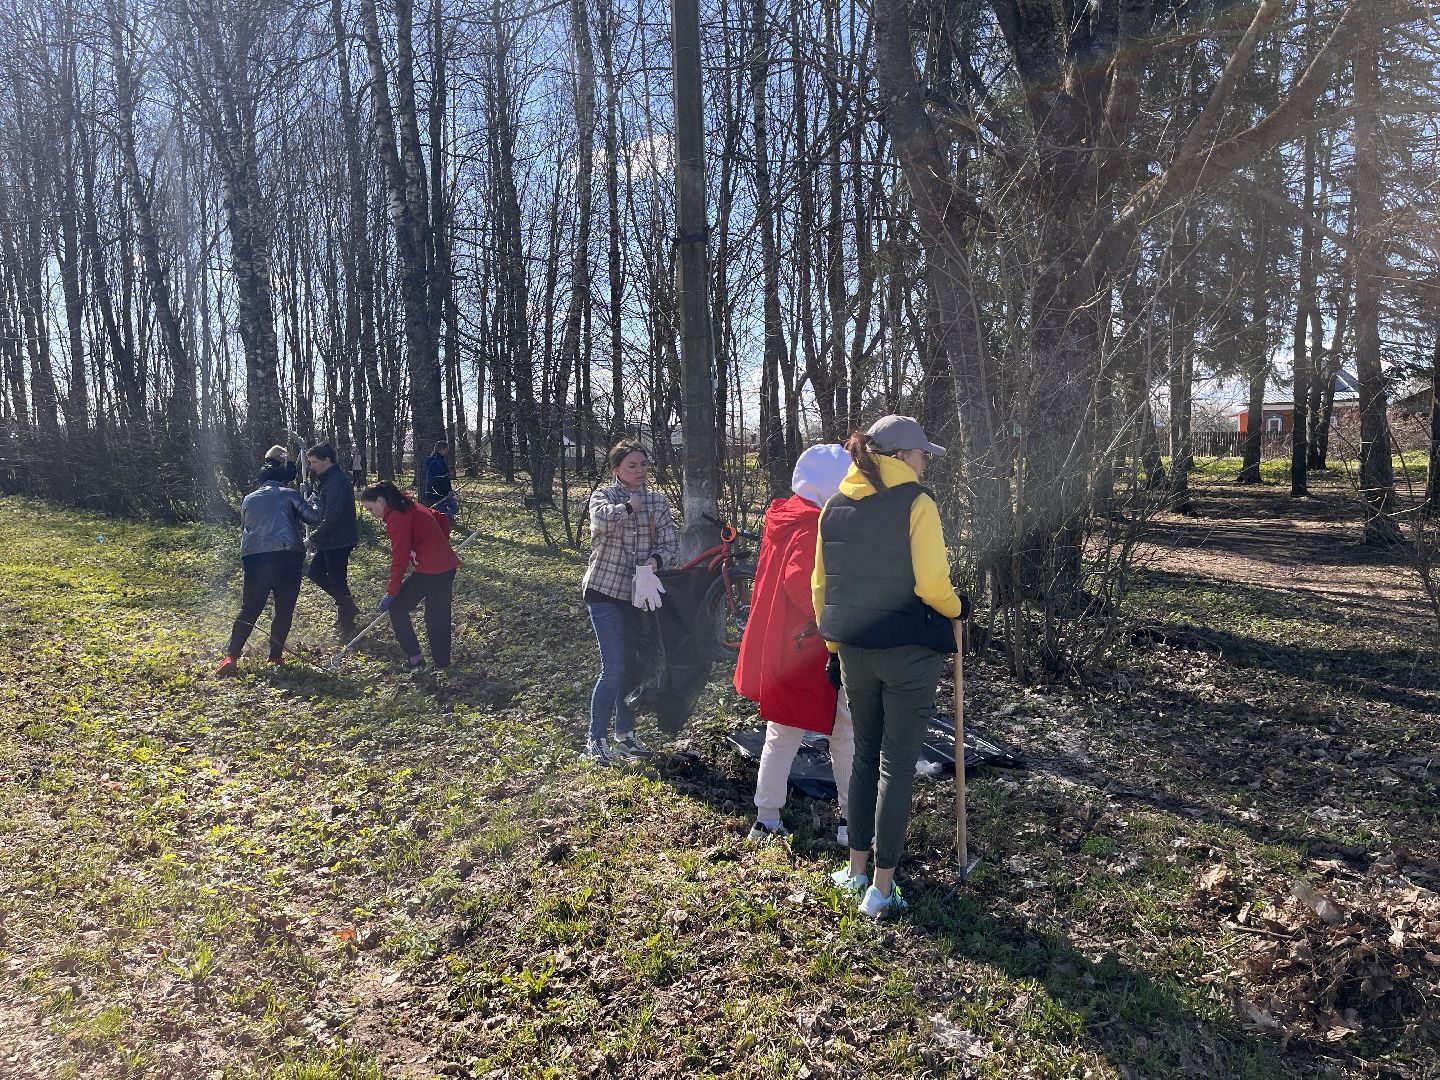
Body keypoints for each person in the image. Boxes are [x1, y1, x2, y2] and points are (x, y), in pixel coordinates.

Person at [813, 415, 966, 919]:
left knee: (862, 758)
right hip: (907, 649)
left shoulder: (833, 506)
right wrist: (956, 608)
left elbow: (822, 587)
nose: (925, 464)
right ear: (902, 457)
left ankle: (854, 870)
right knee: (895, 767)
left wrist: (834, 646)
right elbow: (931, 583)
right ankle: (881, 887)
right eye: (922, 455)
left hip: (853, 648)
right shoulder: (916, 502)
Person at [735, 444, 855, 846]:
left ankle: (766, 817)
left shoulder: (784, 517)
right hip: (809, 647)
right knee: (843, 730)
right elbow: (803, 586)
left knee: (782, 732)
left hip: (786, 644)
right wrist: (838, 618)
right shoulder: (810, 524)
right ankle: (850, 823)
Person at [580, 439, 678, 763]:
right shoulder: (604, 496)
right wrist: (628, 507)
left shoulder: (658, 502)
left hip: (638, 595)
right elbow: (600, 522)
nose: (639, 471)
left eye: (643, 465)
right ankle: (595, 739)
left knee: (633, 667)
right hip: (604, 591)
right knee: (614, 667)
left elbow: (669, 545)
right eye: (631, 465)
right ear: (617, 469)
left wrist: (654, 562)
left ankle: (625, 735)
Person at [217, 446, 321, 676]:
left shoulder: (248, 499)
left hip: (254, 557)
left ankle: (230, 656)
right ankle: (275, 656)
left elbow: (245, 527)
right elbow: (313, 517)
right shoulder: (289, 494)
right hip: (286, 556)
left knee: (250, 607)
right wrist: (313, 496)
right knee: (283, 608)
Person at [359, 481, 460, 672]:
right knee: (399, 609)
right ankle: (416, 658)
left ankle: (441, 666)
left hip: (437, 570)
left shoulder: (397, 517)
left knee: (435, 617)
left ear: (380, 501)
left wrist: (392, 592)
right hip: (430, 568)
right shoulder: (410, 506)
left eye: (371, 509)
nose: (372, 514)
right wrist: (439, 545)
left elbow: (399, 557)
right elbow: (441, 519)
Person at [304, 443, 361, 639]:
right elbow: (324, 508)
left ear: (327, 460)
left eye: (314, 462)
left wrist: (313, 537)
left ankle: (347, 619)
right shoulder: (328, 480)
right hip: (331, 539)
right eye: (310, 462)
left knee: (337, 580)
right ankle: (347, 608)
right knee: (316, 573)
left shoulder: (336, 481)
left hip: (338, 539)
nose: (311, 466)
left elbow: (333, 516)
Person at [425, 440, 459, 520]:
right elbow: (441, 479)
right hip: (439, 492)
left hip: (437, 491)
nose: (447, 451)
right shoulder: (437, 462)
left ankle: (445, 521)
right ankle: (443, 521)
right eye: (446, 449)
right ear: (441, 450)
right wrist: (448, 491)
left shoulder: (437, 461)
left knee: (445, 510)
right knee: (452, 508)